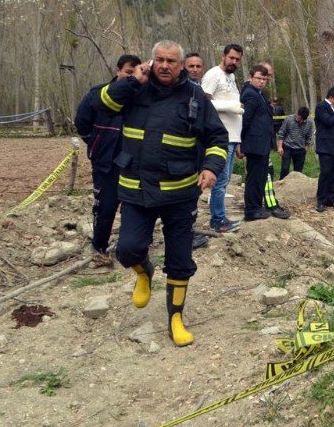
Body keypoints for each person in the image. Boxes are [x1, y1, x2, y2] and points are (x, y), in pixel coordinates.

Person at [96, 40, 228, 347]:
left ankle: (175, 318)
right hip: (136, 190)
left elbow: (217, 137)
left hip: (180, 194)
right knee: (127, 249)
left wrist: (211, 167)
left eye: (171, 61)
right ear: (150, 61)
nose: (165, 65)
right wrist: (131, 80)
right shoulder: (134, 88)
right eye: (159, 60)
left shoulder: (195, 95)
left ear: (182, 65)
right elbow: (103, 105)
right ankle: (144, 272)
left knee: (180, 260)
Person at [74, 53, 141, 266]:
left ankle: (129, 246)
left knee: (133, 204)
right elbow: (82, 123)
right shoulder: (98, 94)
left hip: (133, 163)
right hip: (106, 162)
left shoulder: (140, 98)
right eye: (128, 73)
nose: (131, 77)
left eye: (135, 73)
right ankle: (99, 245)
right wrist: (96, 144)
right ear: (118, 71)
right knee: (104, 206)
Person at [200, 44, 244, 233]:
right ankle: (217, 220)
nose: (234, 62)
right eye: (231, 58)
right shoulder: (213, 74)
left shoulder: (232, 77)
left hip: (233, 136)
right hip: (220, 137)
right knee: (219, 180)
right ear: (223, 56)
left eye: (237, 59)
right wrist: (230, 106)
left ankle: (221, 216)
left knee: (225, 180)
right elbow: (203, 101)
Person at [240, 65, 277, 220]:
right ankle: (251, 210)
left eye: (264, 79)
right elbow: (245, 120)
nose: (262, 82)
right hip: (254, 144)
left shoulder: (258, 93)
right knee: (254, 178)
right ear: (251, 77)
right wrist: (240, 142)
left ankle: (257, 206)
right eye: (258, 78)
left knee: (261, 177)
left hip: (261, 144)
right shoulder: (250, 94)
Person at [257, 61, 290, 219]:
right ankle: (271, 204)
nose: (268, 79)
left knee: (264, 173)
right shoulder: (252, 93)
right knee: (267, 173)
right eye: (266, 75)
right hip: (257, 143)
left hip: (263, 141)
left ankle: (259, 204)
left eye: (269, 76)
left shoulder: (261, 94)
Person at [277, 106, 313, 179]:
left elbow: (309, 137)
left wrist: (306, 147)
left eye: (302, 119)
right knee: (285, 168)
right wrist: (280, 146)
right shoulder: (289, 119)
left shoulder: (309, 123)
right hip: (288, 147)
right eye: (299, 118)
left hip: (300, 149)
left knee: (298, 172)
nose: (300, 121)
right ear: (297, 114)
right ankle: (282, 184)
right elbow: (282, 132)